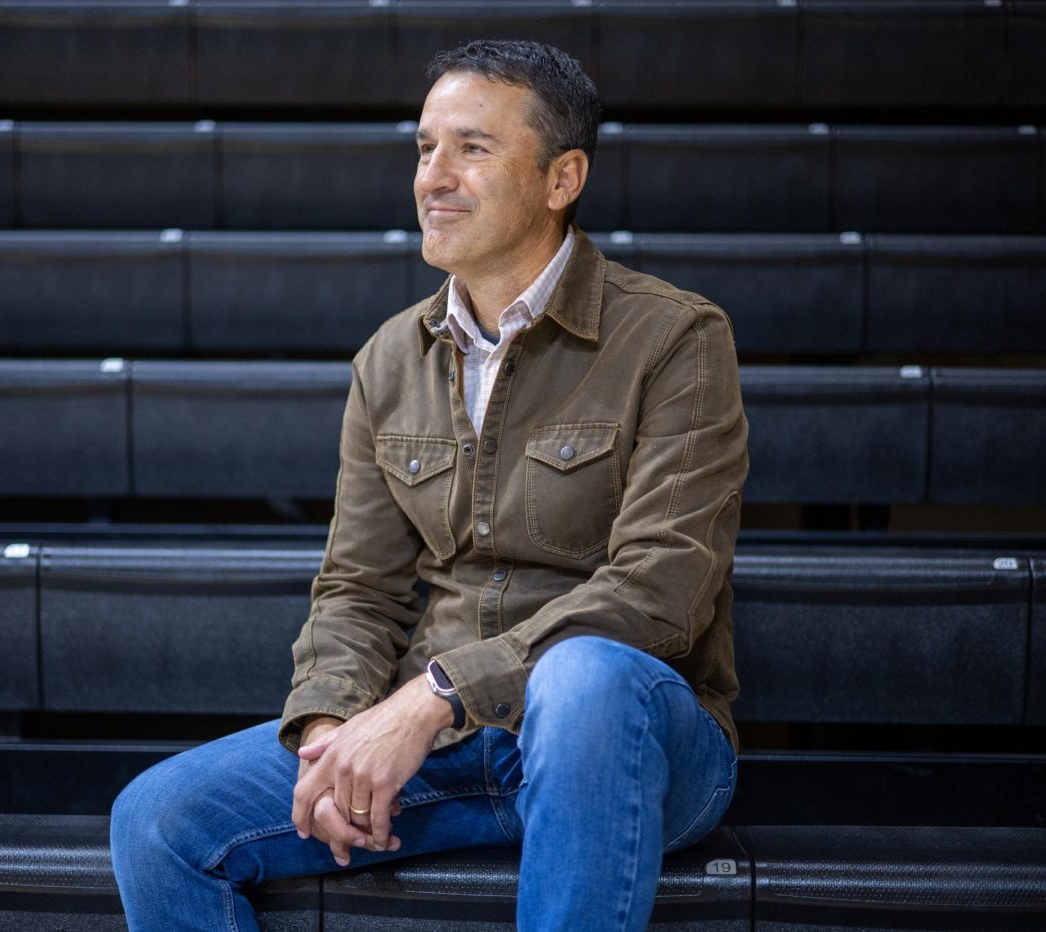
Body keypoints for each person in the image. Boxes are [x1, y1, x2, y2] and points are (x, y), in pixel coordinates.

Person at [111, 39, 748, 932]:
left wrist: (436, 692)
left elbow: (662, 592)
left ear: (563, 178)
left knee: (584, 679)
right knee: (156, 818)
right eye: (424, 147)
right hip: (449, 755)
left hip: (628, 751)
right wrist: (333, 730)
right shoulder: (389, 358)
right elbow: (357, 590)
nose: (433, 177)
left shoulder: (676, 339)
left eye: (472, 148)